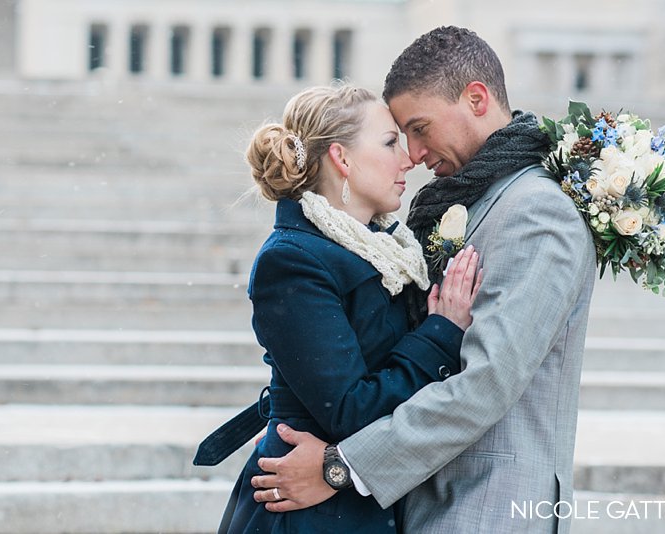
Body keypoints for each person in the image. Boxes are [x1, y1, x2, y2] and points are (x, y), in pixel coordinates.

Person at [250, 26, 597, 534]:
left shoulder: (537, 212)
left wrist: (342, 466)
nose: (412, 153)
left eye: (418, 128)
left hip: (489, 505)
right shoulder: (464, 201)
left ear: (476, 99)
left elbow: (484, 384)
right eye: (397, 137)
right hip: (422, 501)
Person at [212, 83, 483, 533]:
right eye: (390, 142)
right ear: (342, 159)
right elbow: (350, 410)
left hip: (351, 495)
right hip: (307, 511)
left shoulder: (385, 251)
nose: (409, 158)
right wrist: (441, 331)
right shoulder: (292, 260)